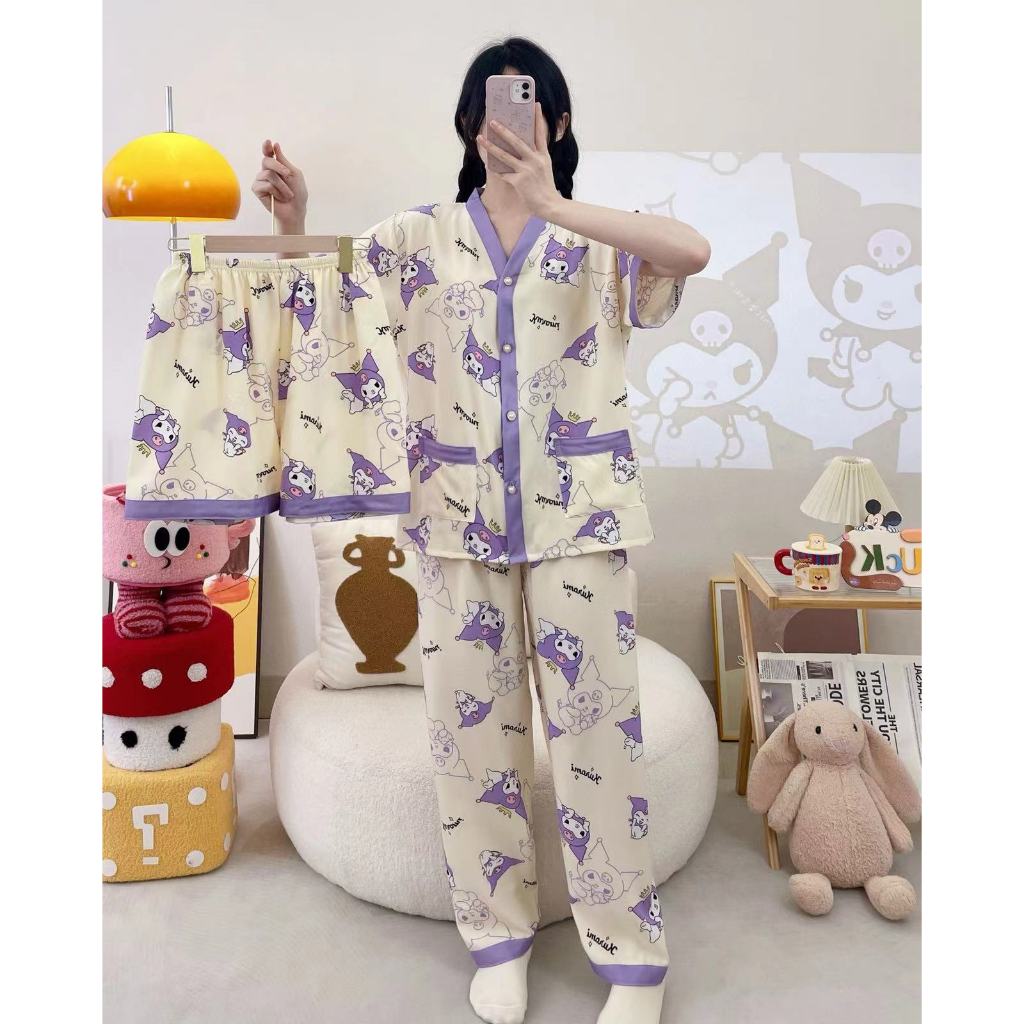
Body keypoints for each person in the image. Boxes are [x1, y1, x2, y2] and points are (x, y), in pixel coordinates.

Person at [253, 36, 709, 1024]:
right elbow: (321, 296)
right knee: (473, 749)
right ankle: (497, 939)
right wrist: (293, 220)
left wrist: (553, 203)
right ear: (468, 125)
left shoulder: (595, 238)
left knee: (600, 745)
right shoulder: (418, 240)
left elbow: (690, 252)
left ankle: (633, 958)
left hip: (580, 527)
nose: (507, 118)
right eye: (491, 104)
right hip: (456, 530)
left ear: (559, 121)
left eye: (529, 101)